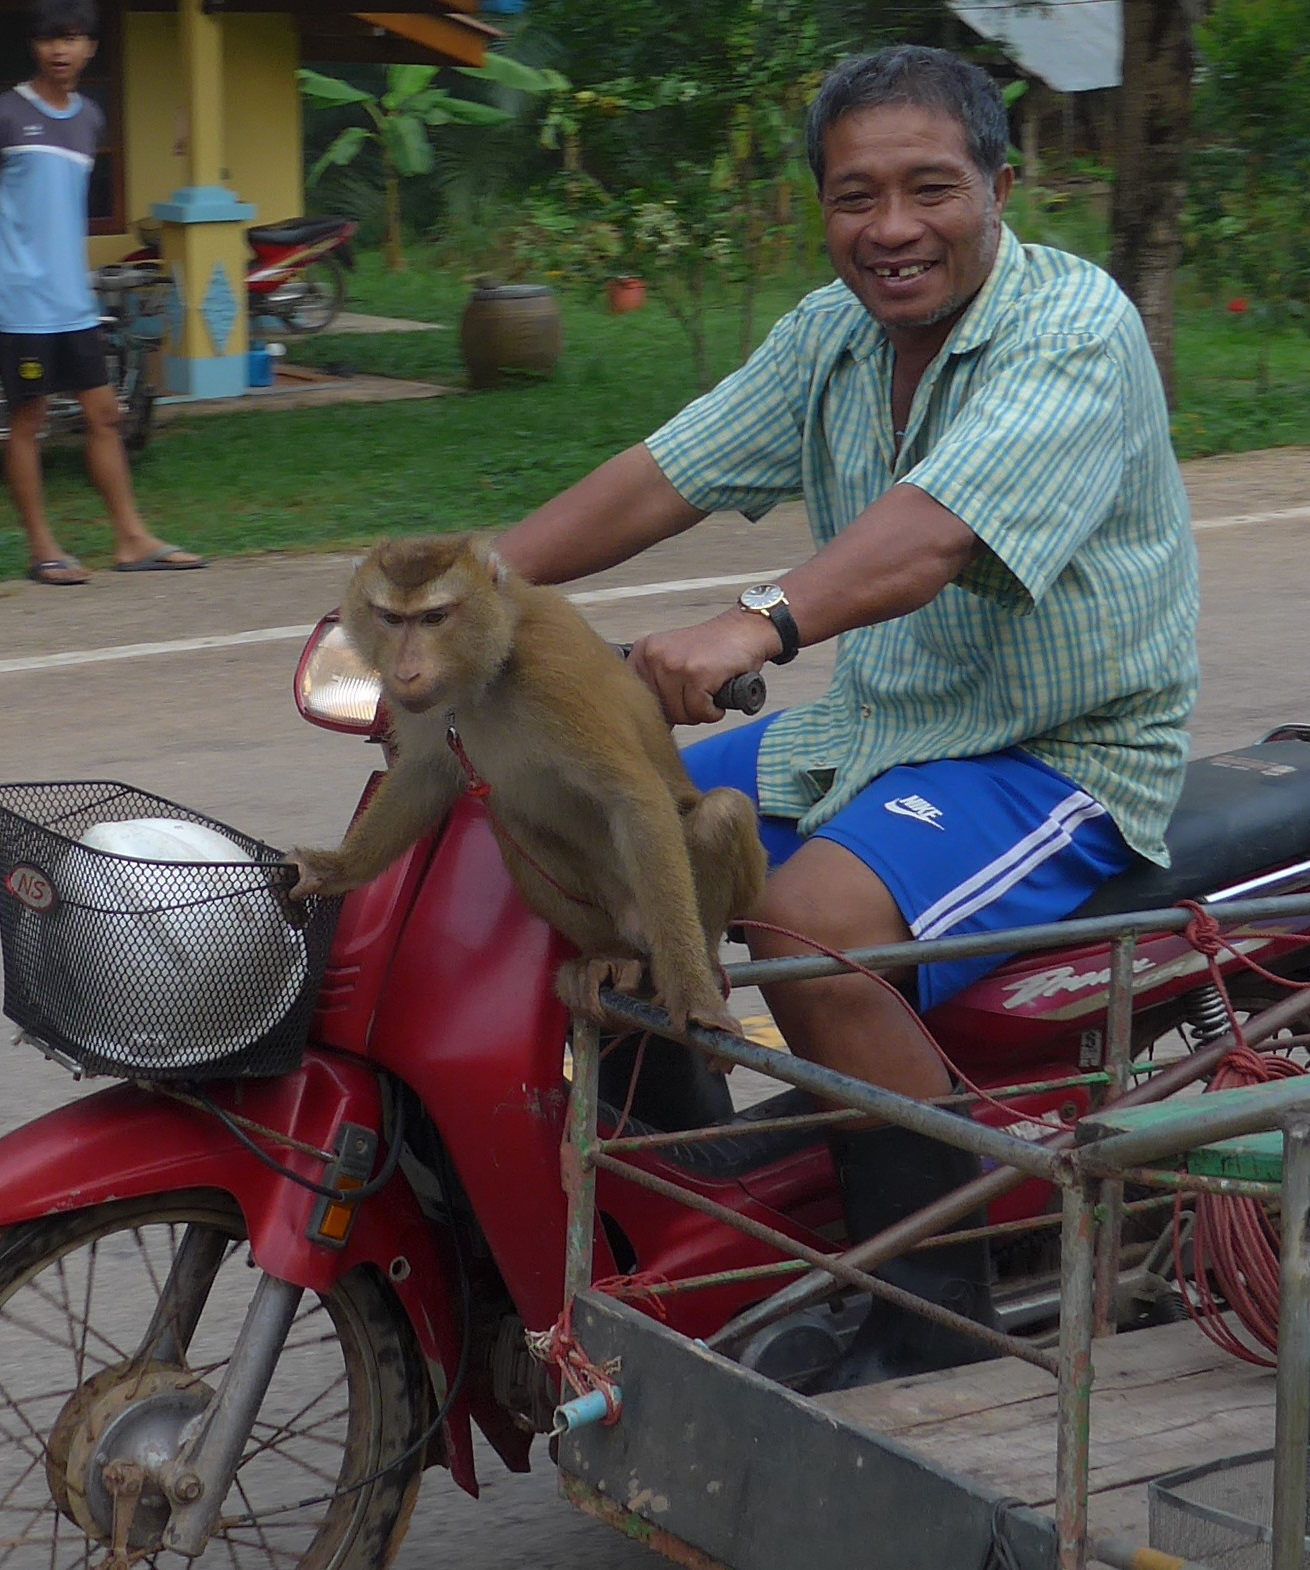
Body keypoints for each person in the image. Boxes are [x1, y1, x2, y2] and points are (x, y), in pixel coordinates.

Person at [495, 44, 1199, 1386]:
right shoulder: (832, 333)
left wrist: (752, 625)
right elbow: (667, 471)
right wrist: (470, 590)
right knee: (603, 839)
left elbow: (930, 536)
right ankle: (697, 1226)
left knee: (807, 929)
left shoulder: (1069, 327)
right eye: (853, 197)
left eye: (927, 189)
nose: (889, 230)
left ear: (999, 185)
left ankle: (929, 1330)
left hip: (1056, 754)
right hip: (879, 720)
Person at [0, 0, 201, 585]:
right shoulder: (2, 117)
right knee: (28, 421)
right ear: (33, 47)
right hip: (17, 302)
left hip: (73, 302)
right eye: (49, 39)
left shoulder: (91, 117)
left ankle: (131, 538)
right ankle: (42, 548)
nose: (60, 50)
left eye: (72, 39)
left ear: (91, 47)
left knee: (105, 416)